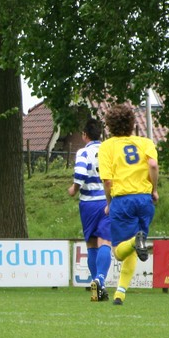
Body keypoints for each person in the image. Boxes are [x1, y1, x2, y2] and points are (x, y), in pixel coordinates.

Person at [98, 106, 159, 306]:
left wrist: (109, 204)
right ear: (132, 124)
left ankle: (135, 241)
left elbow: (108, 181)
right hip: (144, 200)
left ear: (109, 126)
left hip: (122, 201)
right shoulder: (145, 142)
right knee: (133, 249)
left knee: (118, 251)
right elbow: (153, 165)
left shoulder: (107, 147)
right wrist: (154, 190)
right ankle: (120, 294)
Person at [68, 117, 112, 302]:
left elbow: (80, 173)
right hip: (107, 201)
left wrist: (74, 188)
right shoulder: (108, 150)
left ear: (84, 135)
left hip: (88, 204)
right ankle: (100, 280)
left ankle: (96, 285)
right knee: (105, 242)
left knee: (92, 244)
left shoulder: (83, 152)